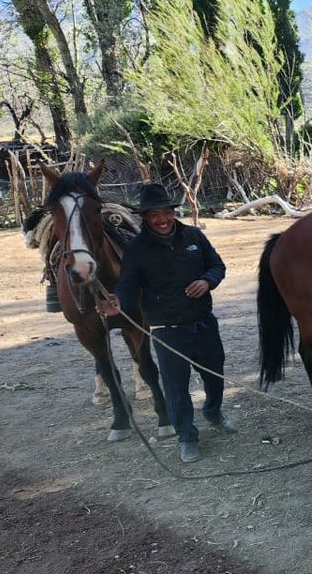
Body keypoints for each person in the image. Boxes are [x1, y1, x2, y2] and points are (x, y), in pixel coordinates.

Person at [99, 184, 236, 463]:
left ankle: (213, 411)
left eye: (166, 213)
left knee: (215, 376)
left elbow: (217, 266)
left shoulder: (194, 236)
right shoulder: (137, 250)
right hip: (168, 331)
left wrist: (207, 281)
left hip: (203, 322)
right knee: (176, 388)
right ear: (145, 217)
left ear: (173, 212)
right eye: (154, 215)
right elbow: (127, 286)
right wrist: (118, 302)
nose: (162, 220)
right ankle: (187, 437)